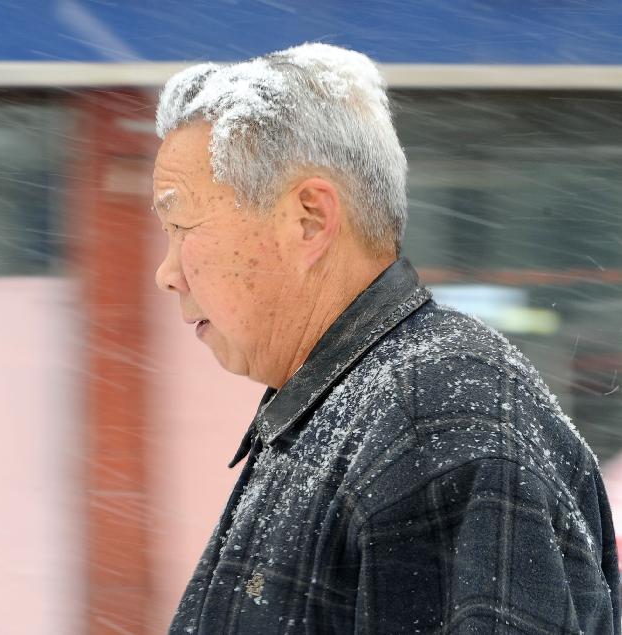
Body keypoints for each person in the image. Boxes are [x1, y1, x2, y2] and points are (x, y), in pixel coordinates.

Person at [151, 43, 620, 634]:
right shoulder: (348, 411)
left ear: (310, 219)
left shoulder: (437, 422)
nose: (165, 273)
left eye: (180, 225)